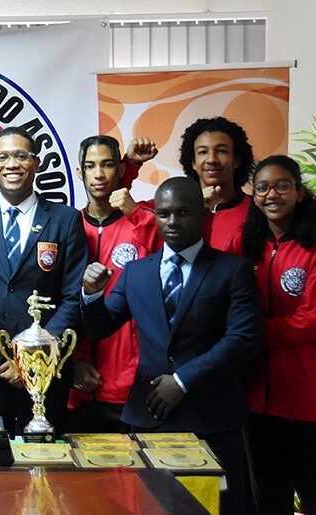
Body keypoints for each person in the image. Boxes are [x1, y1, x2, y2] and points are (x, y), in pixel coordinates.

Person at [82, 176, 260, 514]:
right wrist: (91, 294)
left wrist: (182, 381)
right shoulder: (135, 272)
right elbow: (102, 326)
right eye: (163, 214)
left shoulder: (233, 271)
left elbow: (242, 340)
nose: (173, 222)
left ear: (203, 213)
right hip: (149, 417)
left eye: (183, 213)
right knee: (148, 507)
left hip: (213, 421)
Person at [0, 126, 88, 436]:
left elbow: (73, 296)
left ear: (35, 163)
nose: (12, 164)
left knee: (46, 463)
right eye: (3, 157)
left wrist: (34, 356)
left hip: (44, 369)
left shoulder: (65, 219)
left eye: (21, 156)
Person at [232, 156, 316, 514]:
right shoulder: (245, 245)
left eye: (283, 185)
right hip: (255, 402)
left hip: (306, 400)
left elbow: (309, 319)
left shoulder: (312, 246)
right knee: (267, 498)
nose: (272, 194)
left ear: (299, 192)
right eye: (263, 187)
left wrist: (248, 334)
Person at [68, 135, 163, 433]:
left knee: (134, 478)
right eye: (91, 166)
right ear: (79, 172)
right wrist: (74, 361)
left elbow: (168, 255)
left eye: (108, 165)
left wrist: (135, 211)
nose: (99, 174)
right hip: (80, 387)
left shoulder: (141, 219)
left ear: (120, 170)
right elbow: (62, 302)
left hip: (130, 386)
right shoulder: (67, 224)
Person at [178, 116, 254, 252]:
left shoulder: (256, 211)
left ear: (236, 159)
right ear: (193, 163)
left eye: (221, 151)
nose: (211, 159)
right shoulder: (175, 211)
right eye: (202, 152)